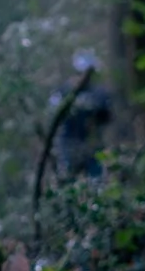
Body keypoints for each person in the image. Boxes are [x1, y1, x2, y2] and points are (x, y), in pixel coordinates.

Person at [47, 52, 114, 183]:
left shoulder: (99, 93)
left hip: (92, 145)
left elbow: (107, 117)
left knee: (96, 181)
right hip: (68, 144)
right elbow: (53, 114)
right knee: (68, 179)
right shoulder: (63, 92)